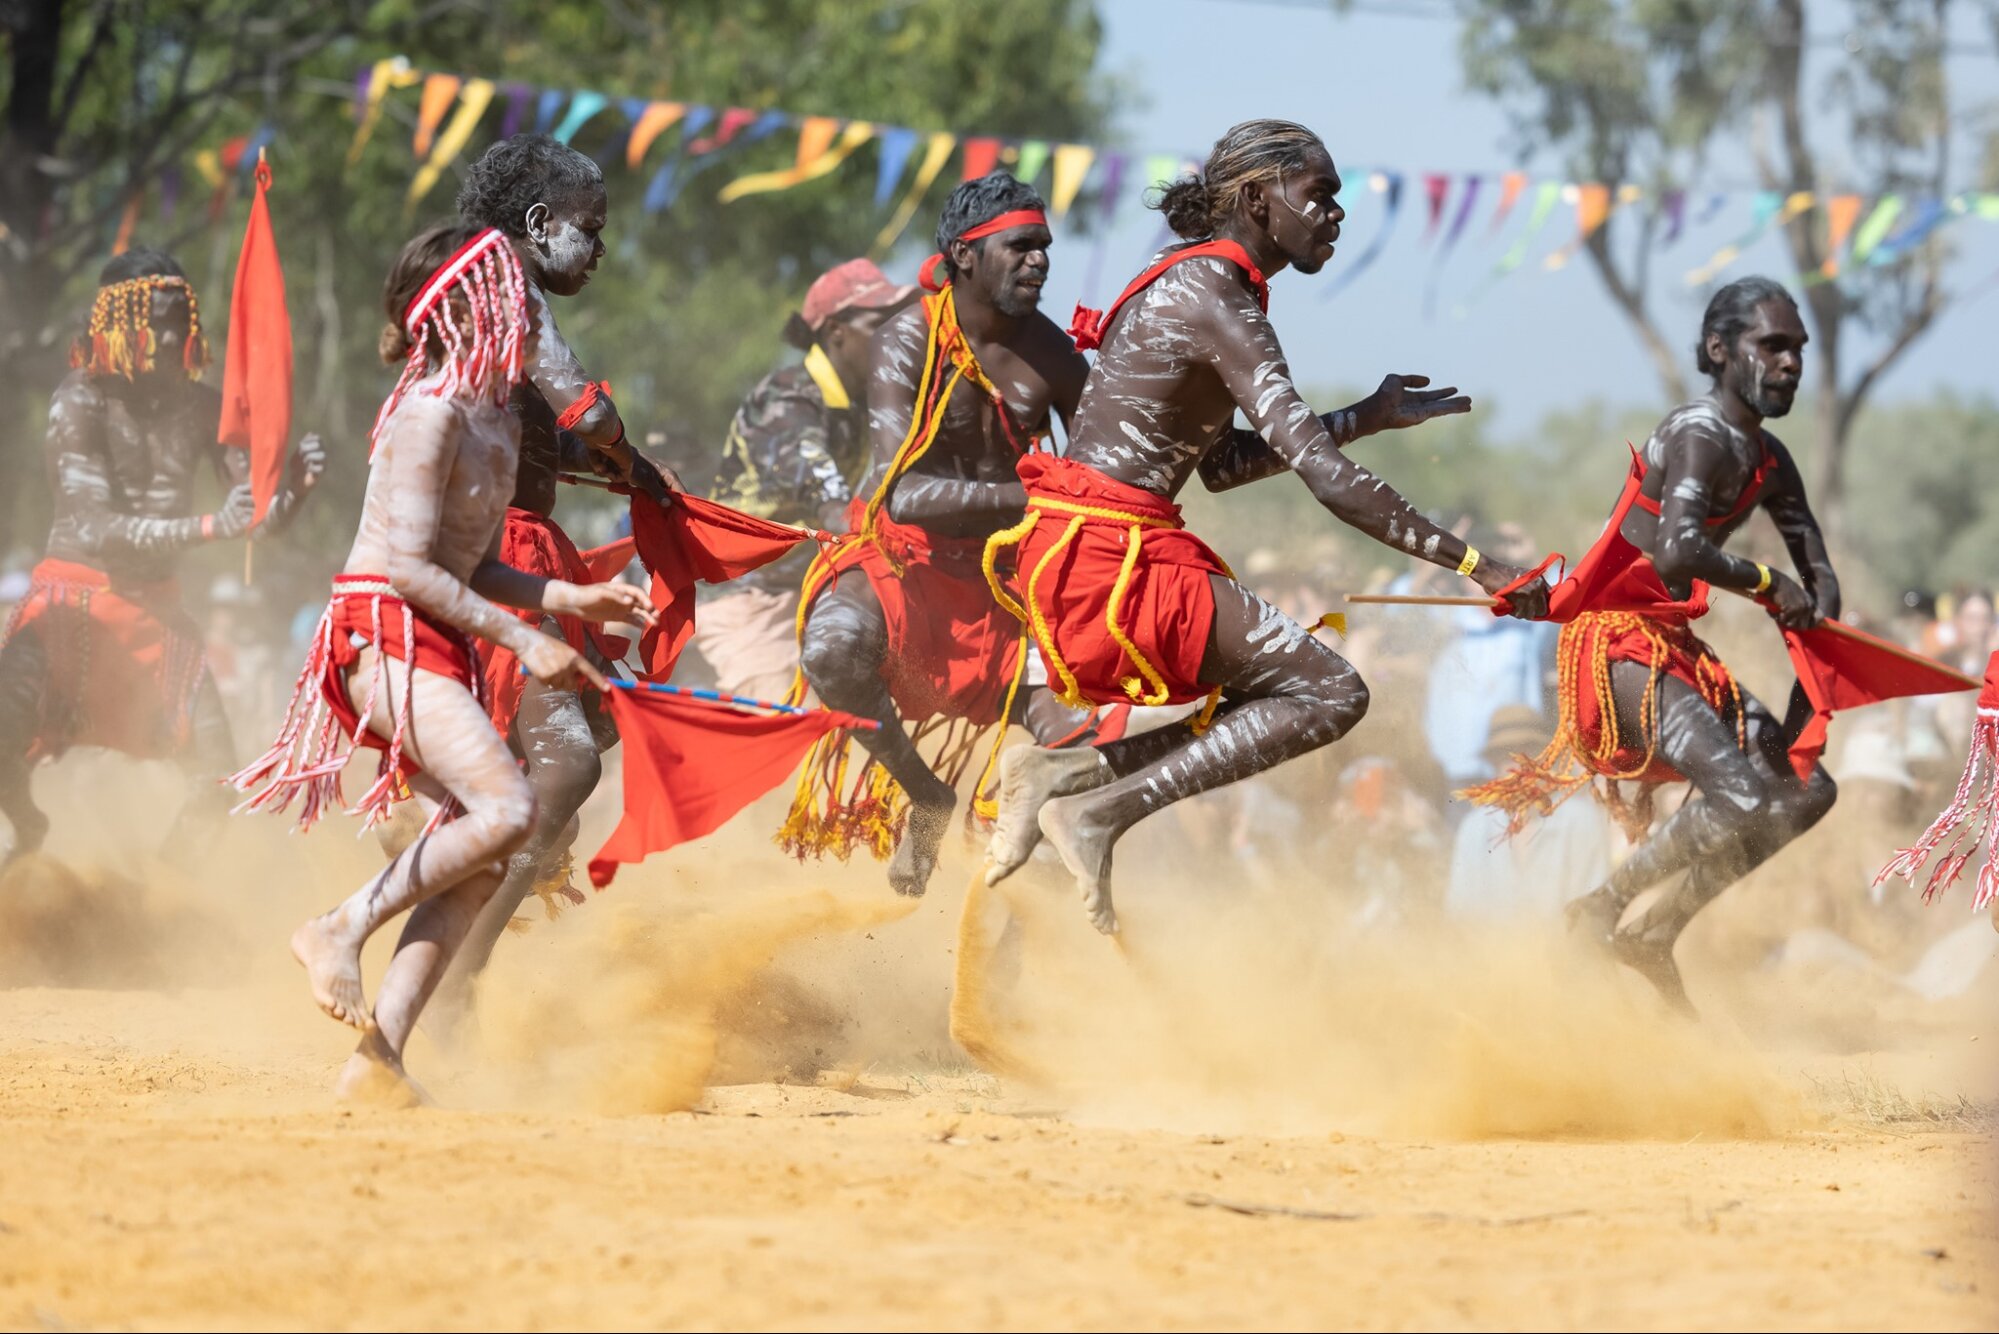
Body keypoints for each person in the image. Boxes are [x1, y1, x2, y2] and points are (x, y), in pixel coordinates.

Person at [981, 119, 1548, 934]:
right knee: (1330, 691)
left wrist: (1366, 416)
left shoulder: (1194, 283)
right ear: (1256, 198)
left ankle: (1063, 777)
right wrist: (1476, 563)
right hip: (1107, 557)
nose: (1334, 215)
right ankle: (1092, 811)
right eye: (1318, 195)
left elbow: (1222, 466)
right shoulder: (1215, 293)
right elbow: (1322, 475)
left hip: (1086, 550)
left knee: (1266, 691)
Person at [230, 224, 653, 1100]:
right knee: (506, 810)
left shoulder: (493, 416)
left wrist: (571, 602)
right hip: (377, 635)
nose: (527, 311)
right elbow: (409, 569)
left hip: (436, 636)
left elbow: (476, 567)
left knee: (488, 857)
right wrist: (525, 639)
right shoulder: (428, 411)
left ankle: (376, 1061)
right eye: (510, 295)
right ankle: (336, 928)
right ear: (470, 307)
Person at [1465, 276, 1840, 1011]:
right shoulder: (1697, 433)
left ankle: (1652, 932)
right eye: (1772, 346)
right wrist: (1769, 582)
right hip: (1615, 648)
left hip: (1672, 650)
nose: (1791, 362)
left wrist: (1818, 618)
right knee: (1737, 791)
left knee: (1804, 791)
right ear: (1717, 350)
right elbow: (1676, 551)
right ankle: (1598, 911)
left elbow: (1816, 569)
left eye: (1796, 348)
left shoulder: (1768, 459)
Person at [782, 173, 1095, 897]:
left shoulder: (1055, 357)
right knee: (830, 649)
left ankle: (1035, 907)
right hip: (904, 565)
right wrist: (1040, 494)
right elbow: (905, 492)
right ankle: (926, 795)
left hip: (1009, 580)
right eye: (1020, 247)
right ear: (962, 256)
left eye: (1043, 247)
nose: (1039, 262)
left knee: (1081, 737)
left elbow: (1100, 476)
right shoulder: (909, 338)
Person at [0, 247, 325, 865]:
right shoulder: (79, 400)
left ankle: (156, 903)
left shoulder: (205, 406)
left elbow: (254, 523)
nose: (177, 335)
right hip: (70, 609)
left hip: (158, 623)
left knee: (217, 778)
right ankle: (27, 825)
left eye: (184, 321)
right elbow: (94, 529)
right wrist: (209, 526)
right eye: (161, 321)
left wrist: (295, 495)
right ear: (118, 324)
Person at [444, 136, 676, 978]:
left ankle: (461, 918)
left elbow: (532, 443)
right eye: (593, 229)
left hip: (489, 548)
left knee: (592, 732)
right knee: (571, 759)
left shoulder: (481, 290)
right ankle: (462, 967)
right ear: (540, 224)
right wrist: (623, 448)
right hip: (497, 554)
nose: (602, 250)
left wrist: (634, 477)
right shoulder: (505, 290)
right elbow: (580, 412)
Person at [699, 259, 916, 703]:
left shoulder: (863, 403)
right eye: (880, 322)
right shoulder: (787, 398)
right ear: (836, 330)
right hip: (745, 601)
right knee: (792, 744)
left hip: (812, 591)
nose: (896, 335)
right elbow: (837, 512)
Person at [1445, 705, 1613, 921]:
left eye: (1527, 755)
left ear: (1545, 762)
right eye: (1506, 757)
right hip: (1486, 954)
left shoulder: (1581, 823)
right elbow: (1459, 914)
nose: (1517, 769)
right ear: (1494, 766)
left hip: (1563, 954)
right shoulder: (1474, 828)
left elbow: (1592, 912)